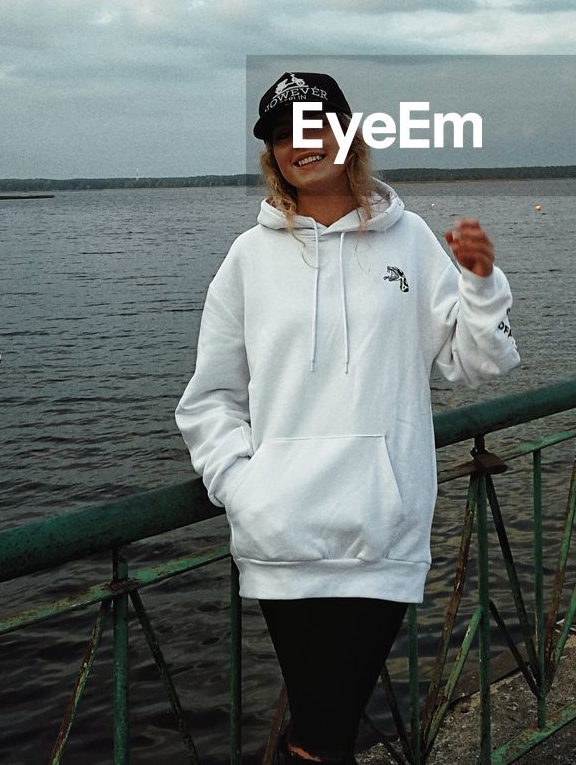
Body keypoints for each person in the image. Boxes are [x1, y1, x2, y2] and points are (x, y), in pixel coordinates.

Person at [175, 71, 519, 765]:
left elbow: (477, 361)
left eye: (314, 125)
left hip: (379, 531)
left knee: (319, 733)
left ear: (350, 135)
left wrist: (480, 286)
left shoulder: (411, 240)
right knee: (322, 736)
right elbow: (209, 399)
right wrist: (247, 491)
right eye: (281, 135)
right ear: (273, 157)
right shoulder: (247, 259)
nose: (300, 144)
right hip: (281, 538)